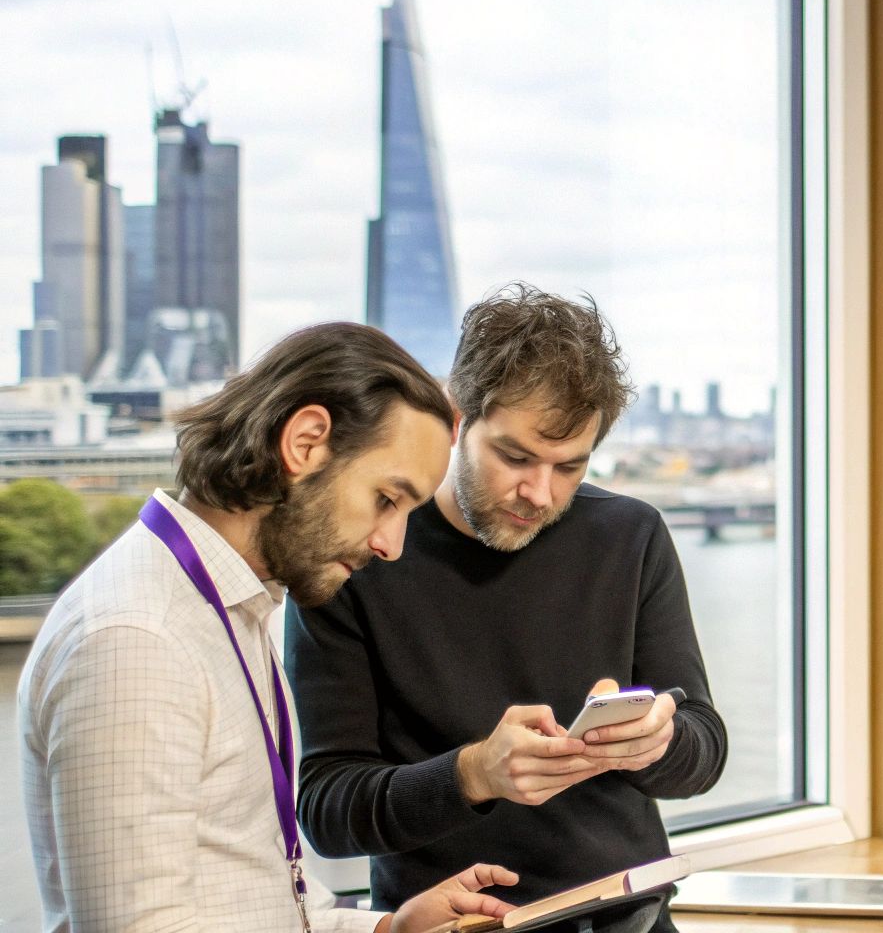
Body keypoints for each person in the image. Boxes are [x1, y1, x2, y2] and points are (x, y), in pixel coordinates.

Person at [18, 323, 521, 933]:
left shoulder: (224, 612)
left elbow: (265, 904)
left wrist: (390, 929)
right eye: (387, 499)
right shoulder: (138, 638)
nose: (392, 545)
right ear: (306, 443)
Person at [288, 285, 727, 933]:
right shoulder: (360, 554)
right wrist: (474, 774)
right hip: (455, 925)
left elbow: (705, 751)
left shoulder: (631, 537)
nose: (540, 493)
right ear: (456, 417)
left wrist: (656, 743)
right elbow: (327, 811)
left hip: (630, 919)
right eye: (516, 457)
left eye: (569, 466)